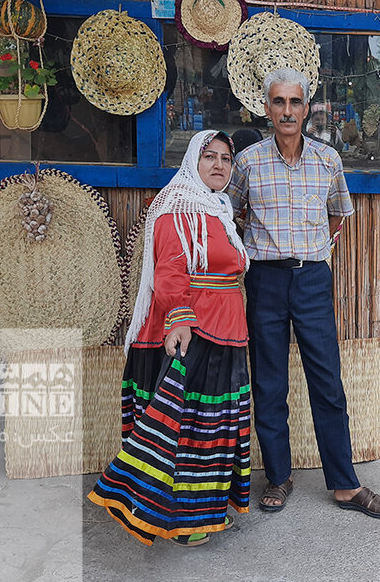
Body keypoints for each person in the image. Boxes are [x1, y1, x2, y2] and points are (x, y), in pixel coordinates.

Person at [227, 67, 380, 520]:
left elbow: (339, 214)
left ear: (307, 108)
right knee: (268, 383)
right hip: (264, 281)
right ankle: (278, 477)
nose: (287, 110)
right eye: (278, 102)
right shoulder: (247, 162)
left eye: (294, 102)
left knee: (327, 383)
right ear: (266, 108)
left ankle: (344, 484)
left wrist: (318, 250)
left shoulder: (327, 160)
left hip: (313, 281)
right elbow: (231, 212)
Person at [88, 129, 251, 547]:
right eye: (209, 157)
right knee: (188, 428)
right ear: (192, 163)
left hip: (226, 332)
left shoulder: (218, 211)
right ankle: (177, 518)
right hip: (196, 332)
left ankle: (203, 511)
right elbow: (169, 270)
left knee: (213, 428)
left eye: (225, 159)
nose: (218, 165)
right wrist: (179, 321)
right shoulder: (177, 209)